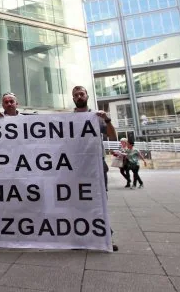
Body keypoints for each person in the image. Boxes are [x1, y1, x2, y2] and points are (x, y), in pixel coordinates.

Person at [71, 85, 118, 252]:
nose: (79, 96)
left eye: (81, 93)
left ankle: (105, 237)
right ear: (73, 98)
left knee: (100, 200)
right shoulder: (68, 119)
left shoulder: (97, 117)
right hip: (76, 168)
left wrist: (107, 119)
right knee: (77, 202)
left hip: (97, 166)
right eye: (76, 95)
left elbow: (113, 136)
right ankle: (79, 237)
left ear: (87, 95)